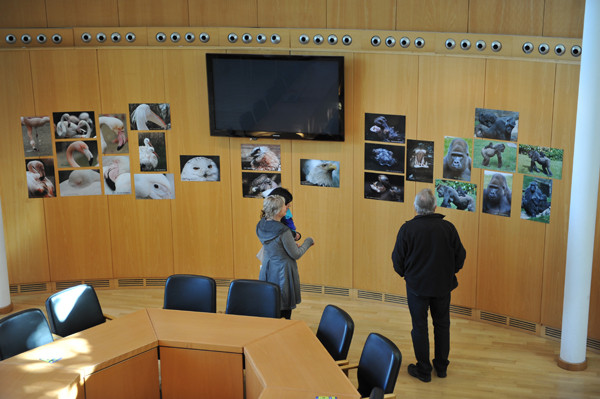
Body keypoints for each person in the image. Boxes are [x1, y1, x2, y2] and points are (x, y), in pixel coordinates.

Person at [391, 188, 466, 382]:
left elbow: (397, 261)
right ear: (434, 206)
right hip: (442, 287)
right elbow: (461, 256)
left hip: (416, 288)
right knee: (442, 325)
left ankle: (424, 370)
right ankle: (441, 368)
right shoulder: (448, 228)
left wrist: (408, 275)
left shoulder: (407, 229)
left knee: (419, 326)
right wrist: (450, 272)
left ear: (415, 208)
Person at [257, 195, 314, 319]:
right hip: (283, 272)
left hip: (267, 269)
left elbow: (274, 246)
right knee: (284, 311)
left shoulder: (260, 225)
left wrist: (290, 245)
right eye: (284, 206)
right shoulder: (283, 231)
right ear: (278, 212)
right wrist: (308, 242)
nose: (286, 207)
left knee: (269, 304)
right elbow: (296, 254)